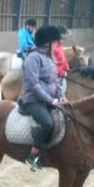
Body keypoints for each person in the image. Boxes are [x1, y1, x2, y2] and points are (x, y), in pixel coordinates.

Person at [19, 26, 65, 172]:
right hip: (33, 100)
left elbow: (54, 81)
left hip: (48, 99)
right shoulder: (33, 58)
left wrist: (61, 95)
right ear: (48, 43)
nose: (57, 46)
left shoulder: (49, 59)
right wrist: (50, 100)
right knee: (48, 123)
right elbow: (33, 85)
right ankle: (33, 155)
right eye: (55, 42)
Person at [54, 26, 70, 95]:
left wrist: (67, 68)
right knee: (60, 92)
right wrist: (62, 73)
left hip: (61, 73)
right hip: (55, 75)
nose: (65, 38)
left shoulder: (60, 46)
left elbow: (64, 60)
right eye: (64, 35)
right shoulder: (55, 47)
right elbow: (56, 63)